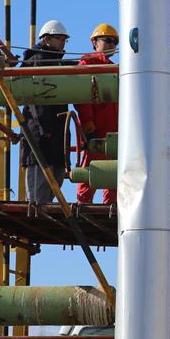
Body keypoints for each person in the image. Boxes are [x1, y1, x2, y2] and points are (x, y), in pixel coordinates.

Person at [20, 20, 71, 203]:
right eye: (59, 39)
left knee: (53, 184)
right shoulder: (38, 60)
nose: (63, 43)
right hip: (40, 136)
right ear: (47, 39)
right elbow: (36, 98)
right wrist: (45, 128)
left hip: (54, 137)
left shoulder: (55, 63)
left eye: (65, 40)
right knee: (38, 195)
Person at [74, 23, 119, 204]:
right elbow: (82, 98)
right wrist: (88, 124)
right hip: (96, 132)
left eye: (114, 42)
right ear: (95, 42)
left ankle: (112, 210)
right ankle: (82, 207)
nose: (110, 45)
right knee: (91, 172)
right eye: (106, 40)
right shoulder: (87, 64)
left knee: (114, 174)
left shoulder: (115, 69)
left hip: (115, 132)